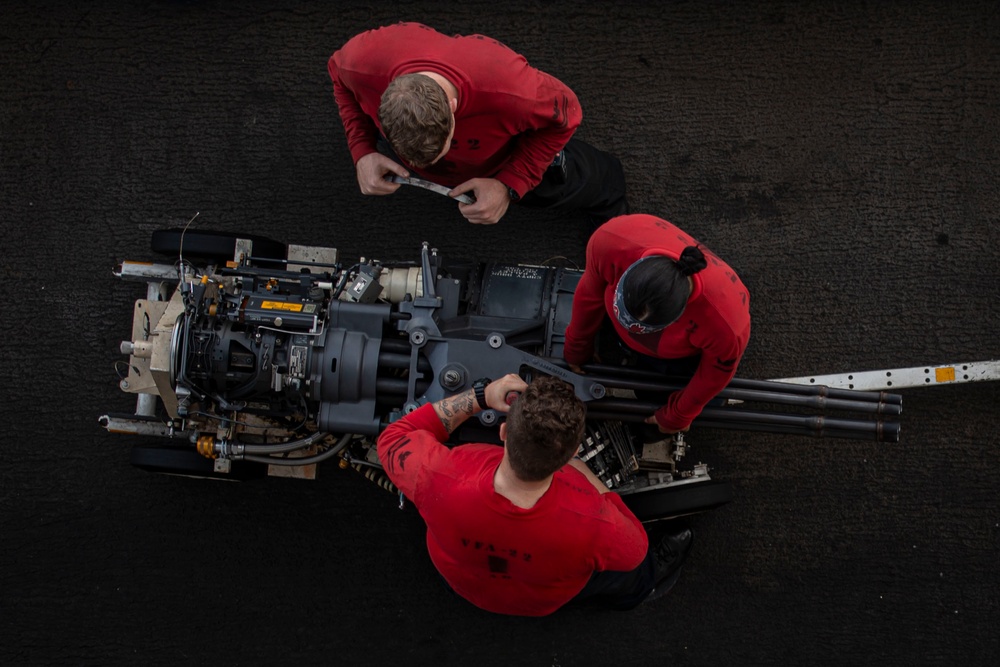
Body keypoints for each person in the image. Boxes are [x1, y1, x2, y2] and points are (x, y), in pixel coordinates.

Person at [375, 374, 692, 616]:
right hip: (541, 600)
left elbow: (394, 437)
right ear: (571, 454)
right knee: (632, 574)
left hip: (462, 581)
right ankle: (639, 592)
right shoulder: (597, 522)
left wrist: (481, 396)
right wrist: (590, 480)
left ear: (501, 433)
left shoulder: (438, 475)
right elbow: (635, 551)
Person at [328, 22, 628, 227]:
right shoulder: (358, 62)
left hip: (502, 161)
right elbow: (338, 79)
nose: (436, 165)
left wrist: (510, 183)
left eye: (441, 150)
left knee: (602, 182)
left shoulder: (513, 92)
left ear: (454, 108)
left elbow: (569, 114)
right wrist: (363, 150)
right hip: (454, 155)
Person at [563, 214, 751, 433]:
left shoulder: (727, 325)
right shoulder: (612, 239)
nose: (629, 329)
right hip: (638, 332)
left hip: (674, 358)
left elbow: (713, 375)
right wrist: (576, 347)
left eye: (640, 328)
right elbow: (589, 295)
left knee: (705, 404)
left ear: (677, 316)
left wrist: (678, 415)